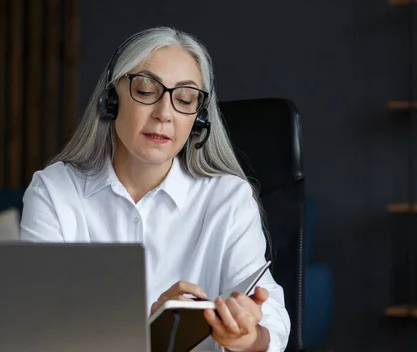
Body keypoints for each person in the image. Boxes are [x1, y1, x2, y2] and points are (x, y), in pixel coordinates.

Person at [20, 27, 290, 352]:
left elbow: (270, 318)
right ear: (111, 98)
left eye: (185, 99)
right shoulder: (54, 191)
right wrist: (149, 331)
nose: (164, 114)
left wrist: (247, 336)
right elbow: (38, 329)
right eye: (146, 90)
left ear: (199, 119)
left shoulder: (227, 199)